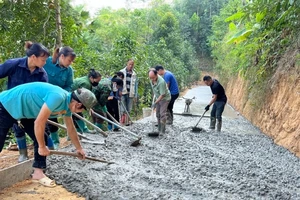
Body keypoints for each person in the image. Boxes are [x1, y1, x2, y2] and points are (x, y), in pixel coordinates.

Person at [0, 82, 97, 187]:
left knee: (43, 137)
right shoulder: (58, 97)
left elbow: (71, 128)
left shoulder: (67, 105)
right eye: (83, 109)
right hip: (6, 105)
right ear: (78, 104)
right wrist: (41, 147)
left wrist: (79, 148)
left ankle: (38, 173)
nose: (81, 112)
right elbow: (39, 122)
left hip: (24, 112)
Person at [0, 41, 53, 163]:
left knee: (41, 137)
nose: (45, 63)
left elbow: (43, 97)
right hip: (9, 108)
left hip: (29, 111)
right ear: (33, 57)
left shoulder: (42, 75)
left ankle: (39, 168)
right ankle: (22, 154)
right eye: (43, 60)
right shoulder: (13, 65)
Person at [43, 46, 76, 149]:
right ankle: (42, 144)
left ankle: (55, 142)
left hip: (56, 99)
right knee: (41, 121)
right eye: (69, 60)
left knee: (53, 121)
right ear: (62, 56)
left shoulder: (69, 71)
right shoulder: (47, 62)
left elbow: (69, 85)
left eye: (71, 61)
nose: (70, 63)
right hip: (41, 96)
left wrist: (62, 94)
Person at [71, 69, 101, 133]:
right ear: (91, 78)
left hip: (74, 97)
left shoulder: (86, 79)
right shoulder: (86, 84)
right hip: (73, 98)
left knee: (75, 115)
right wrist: (89, 108)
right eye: (97, 81)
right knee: (77, 113)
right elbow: (85, 99)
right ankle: (83, 130)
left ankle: (79, 130)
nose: (97, 83)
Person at [148, 68, 171, 136]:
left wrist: (155, 103)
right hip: (158, 97)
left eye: (153, 78)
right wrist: (154, 100)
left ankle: (162, 131)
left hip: (165, 98)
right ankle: (159, 127)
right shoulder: (151, 79)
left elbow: (162, 95)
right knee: (157, 113)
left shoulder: (161, 82)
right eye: (150, 78)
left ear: (156, 75)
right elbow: (154, 90)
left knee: (162, 114)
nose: (152, 79)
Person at [119, 59, 138, 125]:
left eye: (132, 64)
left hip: (131, 93)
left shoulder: (134, 74)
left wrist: (135, 95)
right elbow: (118, 82)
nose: (130, 66)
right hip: (123, 92)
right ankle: (122, 122)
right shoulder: (121, 72)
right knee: (122, 108)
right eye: (129, 64)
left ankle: (127, 122)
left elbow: (135, 85)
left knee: (129, 109)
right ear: (127, 64)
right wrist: (119, 91)